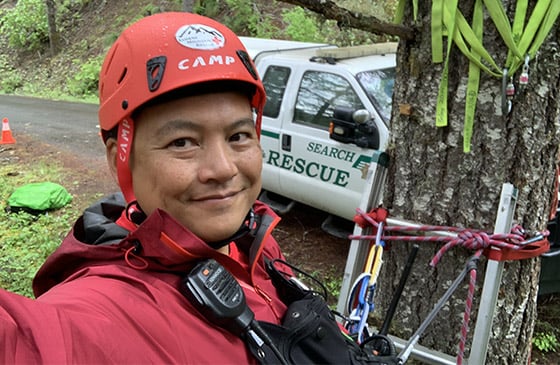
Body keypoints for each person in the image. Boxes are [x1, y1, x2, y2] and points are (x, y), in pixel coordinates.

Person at [0, 12, 289, 364]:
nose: (223, 169)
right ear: (119, 158)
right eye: (182, 142)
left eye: (238, 136)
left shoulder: (256, 239)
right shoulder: (100, 312)